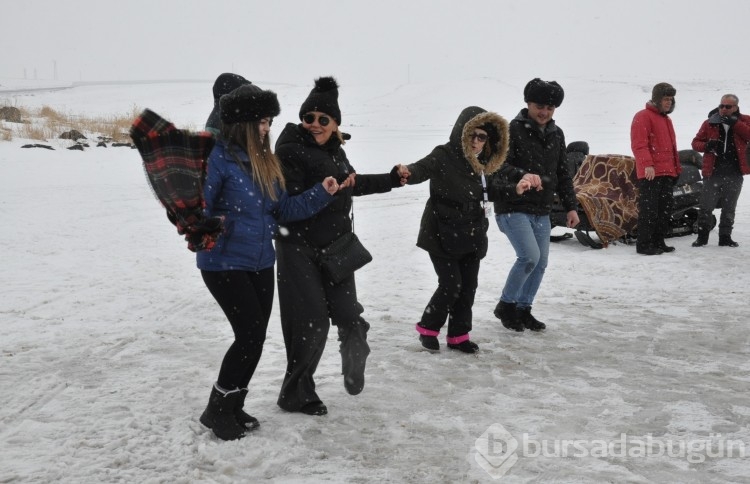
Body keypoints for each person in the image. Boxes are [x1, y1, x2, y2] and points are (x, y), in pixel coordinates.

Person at [197, 83, 340, 440]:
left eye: (269, 121)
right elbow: (198, 208)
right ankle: (217, 410)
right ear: (243, 122)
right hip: (223, 263)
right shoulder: (217, 157)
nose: (267, 128)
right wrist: (208, 224)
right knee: (247, 336)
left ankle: (233, 403)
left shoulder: (264, 161)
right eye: (262, 121)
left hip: (261, 260)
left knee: (256, 337)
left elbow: (284, 209)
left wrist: (322, 192)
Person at [274, 76, 405, 416]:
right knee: (311, 323)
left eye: (323, 120)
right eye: (309, 118)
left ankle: (354, 353)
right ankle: (296, 393)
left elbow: (351, 184)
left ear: (335, 125)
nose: (315, 125)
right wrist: (324, 189)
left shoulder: (336, 152)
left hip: (336, 246)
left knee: (350, 316)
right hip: (298, 248)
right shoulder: (288, 150)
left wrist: (390, 180)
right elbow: (288, 202)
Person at [395, 107, 532, 353]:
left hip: (472, 232)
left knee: (468, 286)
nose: (477, 142)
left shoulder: (482, 164)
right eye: (473, 135)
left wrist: (515, 189)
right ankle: (428, 327)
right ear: (462, 132)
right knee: (450, 285)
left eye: (483, 137)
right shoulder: (444, 155)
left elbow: (492, 189)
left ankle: (459, 335)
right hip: (440, 232)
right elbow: (421, 168)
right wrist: (407, 172)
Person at [493, 78, 579, 332]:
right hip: (513, 206)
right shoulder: (511, 131)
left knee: (540, 263)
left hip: (542, 210)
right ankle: (506, 306)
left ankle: (523, 308)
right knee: (529, 257)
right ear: (528, 103)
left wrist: (571, 206)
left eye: (550, 108)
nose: (544, 112)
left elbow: (563, 174)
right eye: (540, 106)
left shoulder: (557, 134)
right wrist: (523, 174)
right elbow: (499, 167)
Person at [690, 94, 750, 247]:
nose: (724, 109)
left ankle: (725, 238)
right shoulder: (709, 122)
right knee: (705, 207)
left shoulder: (745, 121)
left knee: (729, 208)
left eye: (728, 106)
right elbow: (695, 143)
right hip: (713, 172)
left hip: (735, 172)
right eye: (721, 106)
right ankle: (702, 238)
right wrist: (706, 146)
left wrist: (736, 124)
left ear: (736, 107)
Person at [630, 82, 682, 255]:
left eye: (671, 99)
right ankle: (644, 245)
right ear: (656, 99)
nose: (668, 102)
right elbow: (639, 144)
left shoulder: (666, 119)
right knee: (649, 211)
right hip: (651, 173)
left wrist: (676, 169)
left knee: (664, 210)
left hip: (667, 172)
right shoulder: (643, 116)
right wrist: (647, 165)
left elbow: (672, 148)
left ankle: (659, 241)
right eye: (665, 99)